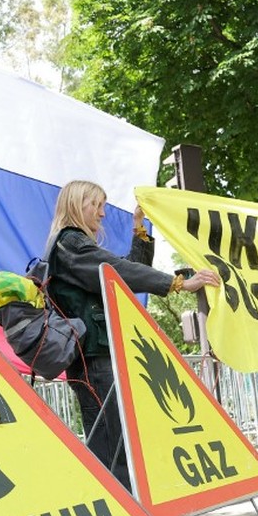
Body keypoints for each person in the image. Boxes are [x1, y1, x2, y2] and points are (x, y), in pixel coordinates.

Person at [43, 180, 219, 489]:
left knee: (118, 441)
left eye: (102, 206)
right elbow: (117, 270)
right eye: (96, 205)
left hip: (100, 357)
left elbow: (124, 273)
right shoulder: (69, 242)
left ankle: (129, 513)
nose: (102, 213)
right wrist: (177, 283)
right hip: (94, 359)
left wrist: (139, 227)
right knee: (111, 447)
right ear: (76, 205)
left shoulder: (75, 246)